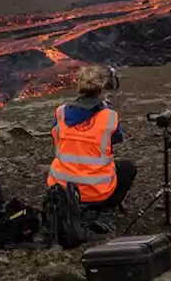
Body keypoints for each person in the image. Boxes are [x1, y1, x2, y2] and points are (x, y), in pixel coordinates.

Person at [47, 66, 136, 211]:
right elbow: (115, 139)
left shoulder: (61, 113)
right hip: (95, 194)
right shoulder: (109, 117)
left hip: (61, 189)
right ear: (102, 88)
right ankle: (104, 208)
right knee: (127, 167)